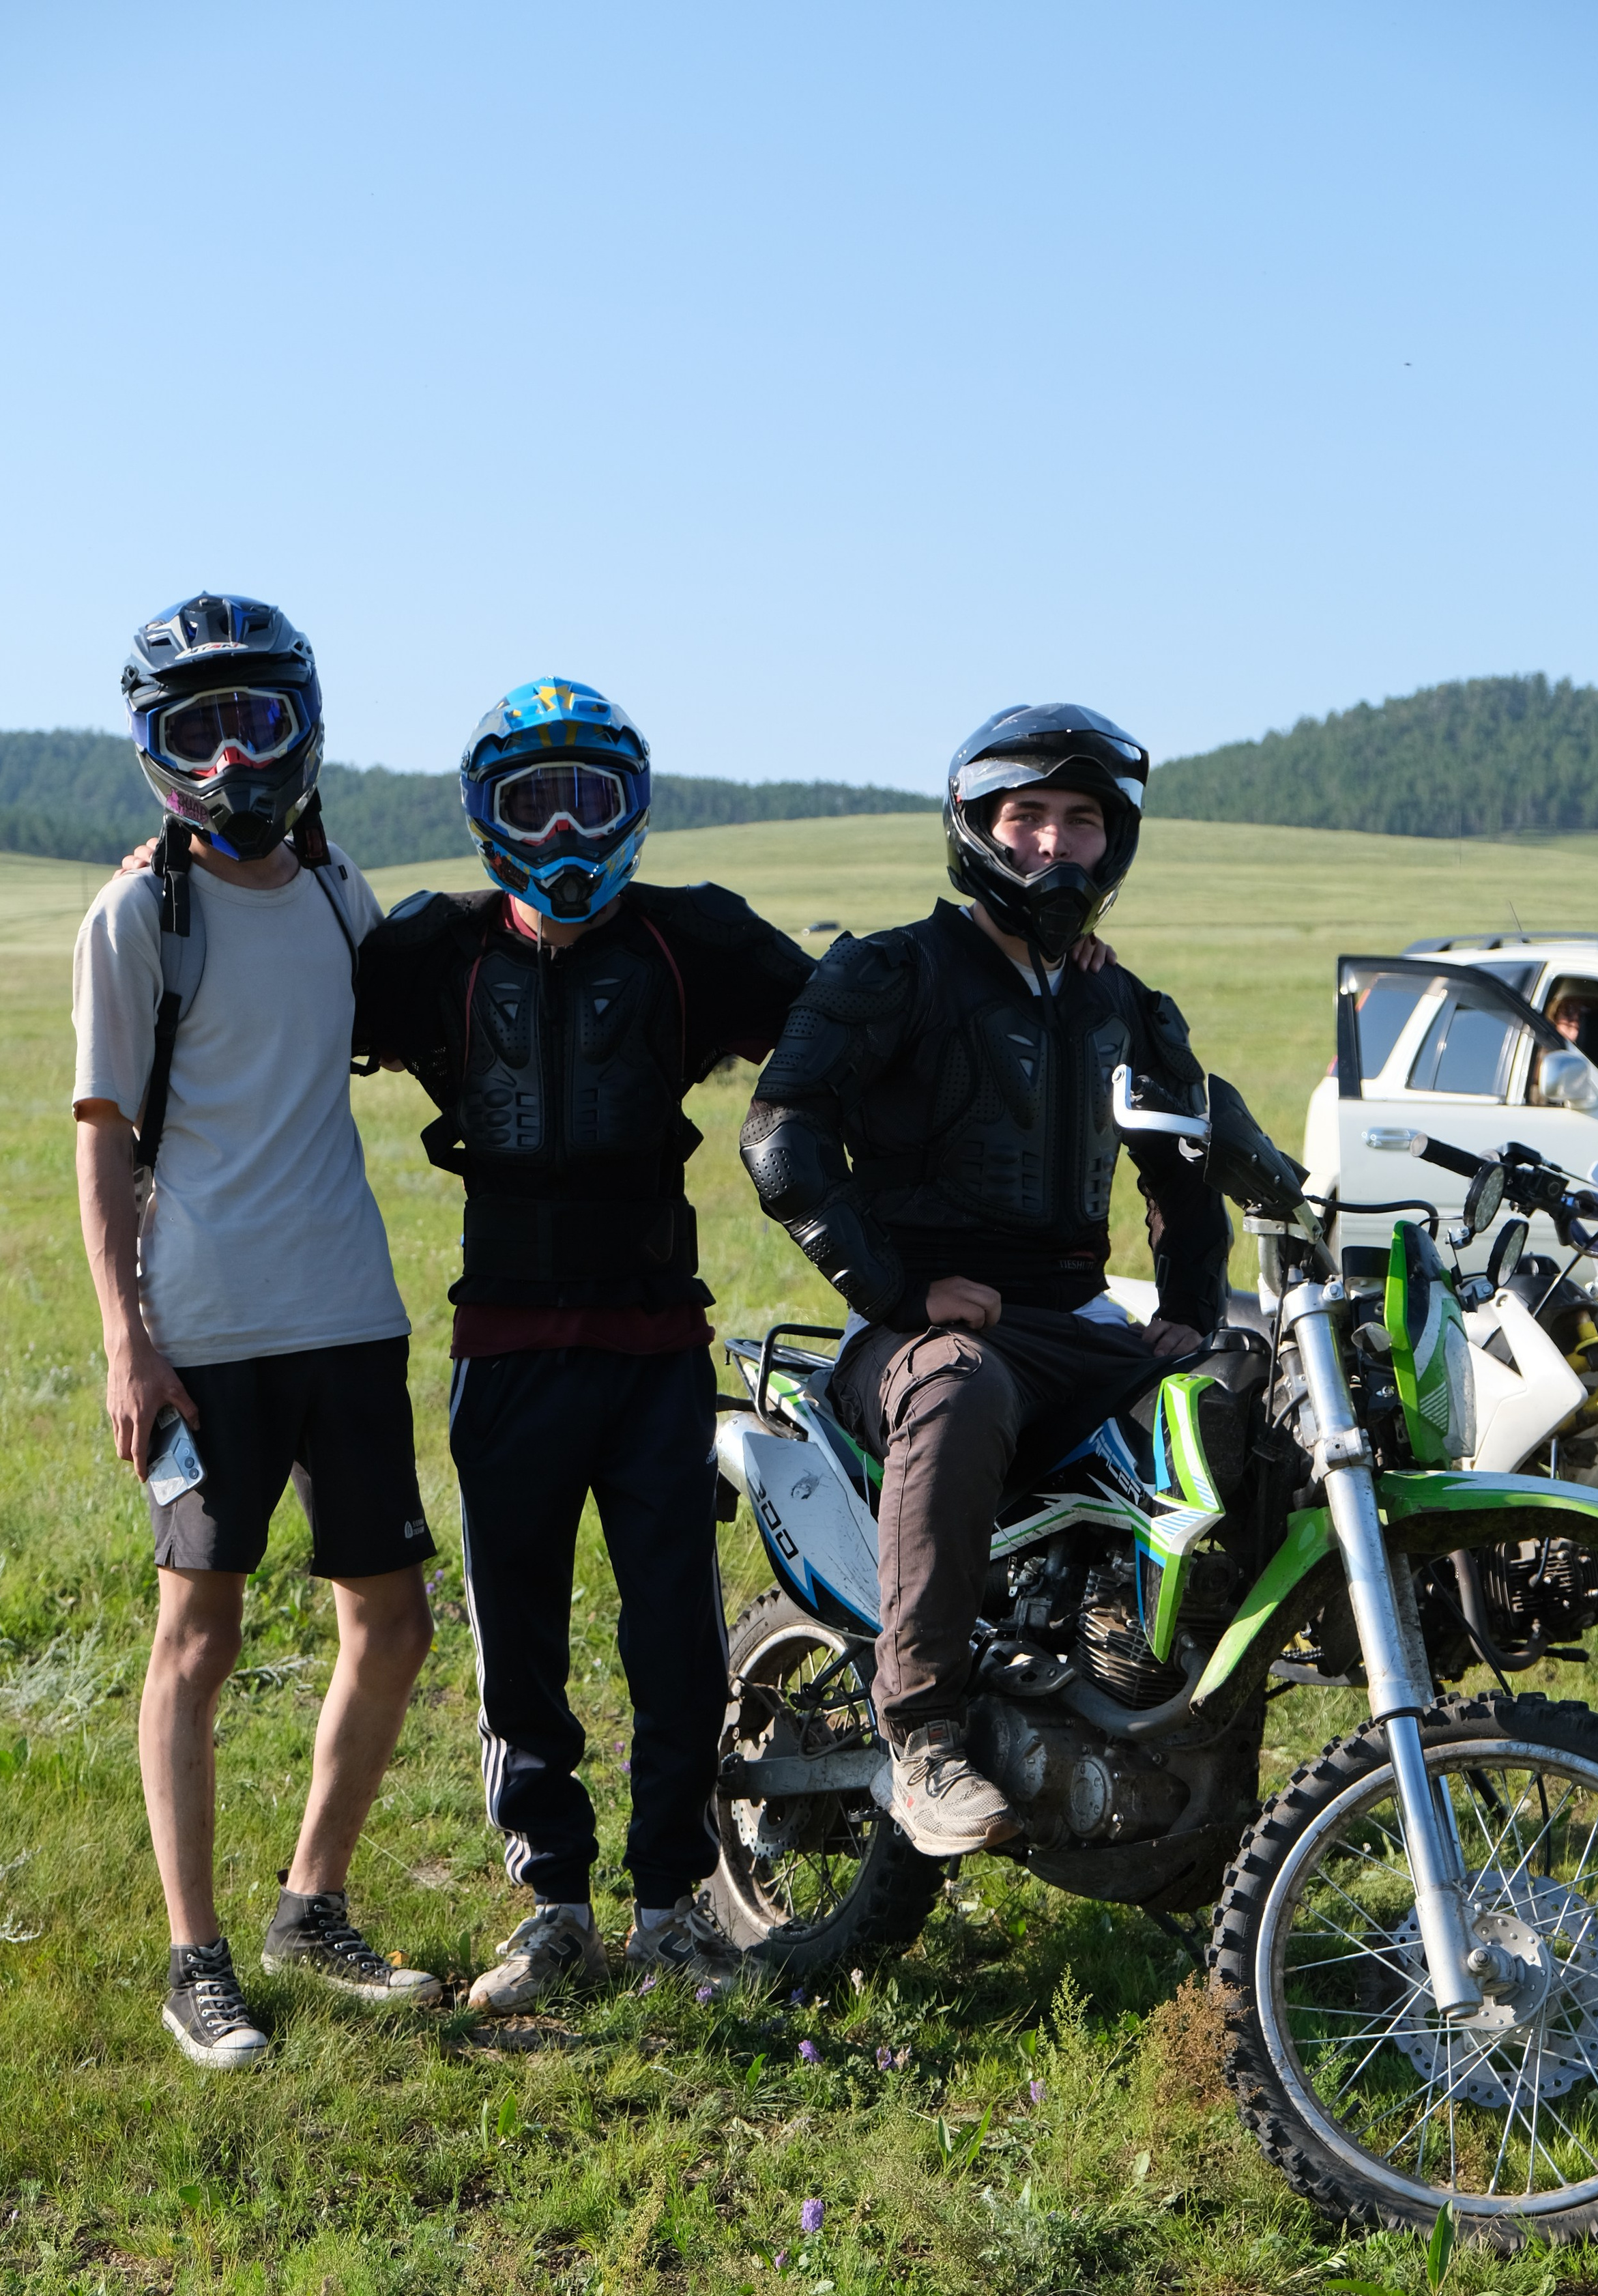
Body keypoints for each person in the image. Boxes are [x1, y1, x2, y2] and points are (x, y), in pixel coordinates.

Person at [354, 678, 813, 2009]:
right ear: (483, 816)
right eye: (531, 803)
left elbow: (847, 1017)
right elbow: (272, 1002)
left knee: (675, 1640)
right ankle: (553, 1908)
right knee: (518, 1640)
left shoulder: (693, 941)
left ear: (635, 806)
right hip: (504, 1351)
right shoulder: (428, 953)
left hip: (656, 1348)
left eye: (589, 799)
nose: (562, 832)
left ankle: (670, 1912)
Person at [740, 701, 1228, 1856]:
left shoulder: (1122, 1004)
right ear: (976, 826)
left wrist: (1195, 1316)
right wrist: (902, 1293)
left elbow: (1189, 1167)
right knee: (959, 1382)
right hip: (912, 1342)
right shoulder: (893, 970)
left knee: (1243, 1395)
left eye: (1081, 820)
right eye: (1028, 816)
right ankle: (923, 1735)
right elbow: (780, 1137)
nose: (1055, 843)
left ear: (1115, 840)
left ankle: (1181, 1710)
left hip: (1073, 1327)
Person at [72, 592, 441, 2070]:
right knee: (198, 1634)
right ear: (154, 751)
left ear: (306, 726)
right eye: (196, 730)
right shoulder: (134, 917)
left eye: (257, 720)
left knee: (394, 1624)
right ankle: (196, 1961)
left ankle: (311, 1909)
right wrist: (126, 1339)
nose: (230, 758)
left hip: (350, 1313)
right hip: (206, 1331)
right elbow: (102, 1137)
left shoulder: (342, 895)